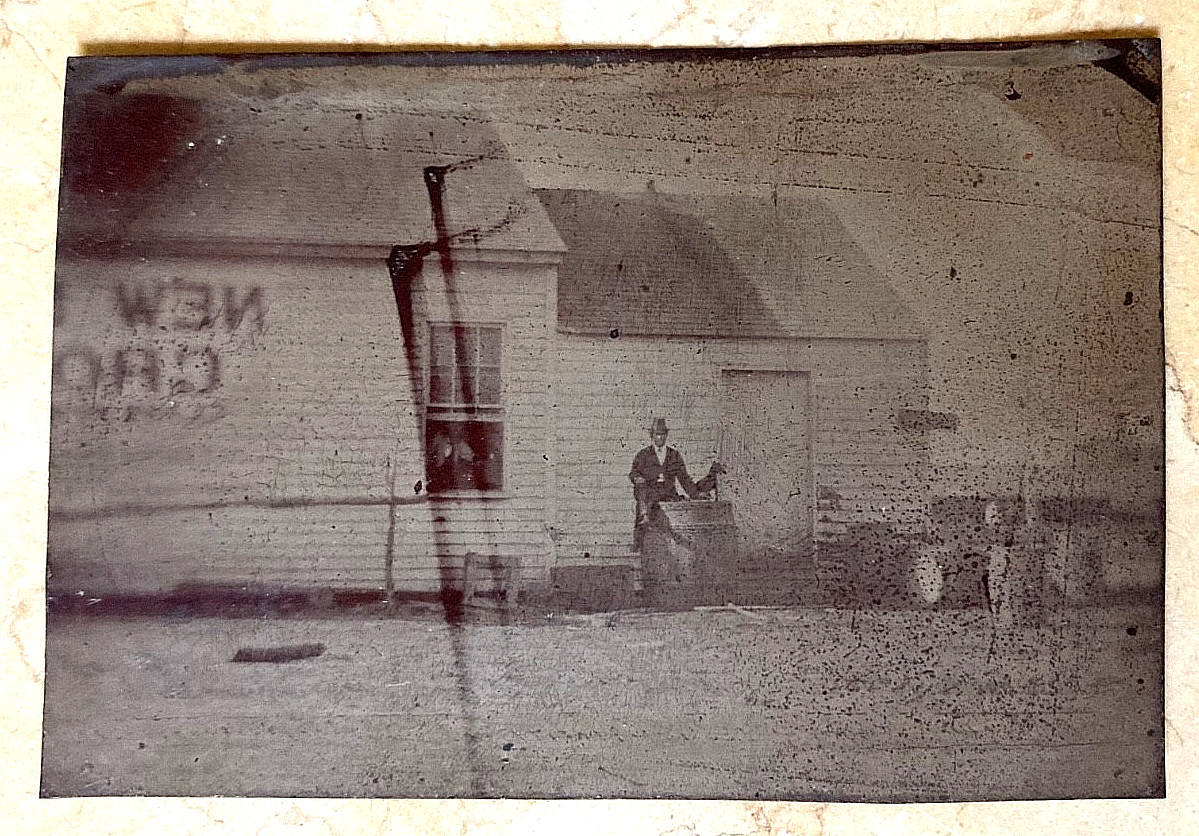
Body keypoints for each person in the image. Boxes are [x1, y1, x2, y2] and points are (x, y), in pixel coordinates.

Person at [629, 418, 721, 551]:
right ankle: (641, 527)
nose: (659, 437)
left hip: (668, 493)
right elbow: (633, 473)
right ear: (652, 435)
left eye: (662, 434)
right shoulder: (643, 455)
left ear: (666, 435)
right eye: (656, 434)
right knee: (643, 494)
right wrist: (637, 478)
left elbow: (684, 478)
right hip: (649, 492)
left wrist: (695, 494)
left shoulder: (674, 455)